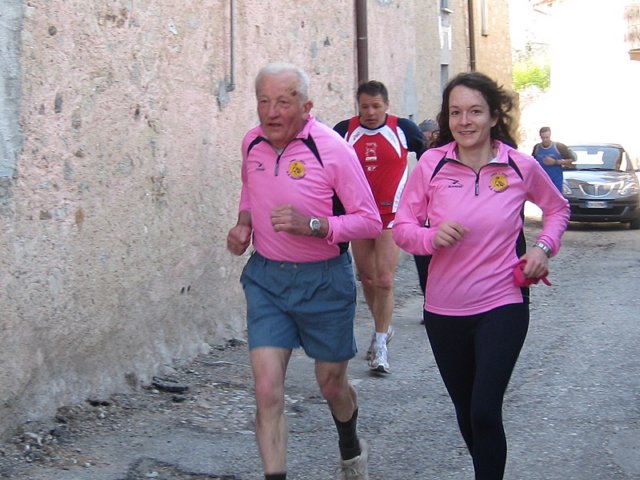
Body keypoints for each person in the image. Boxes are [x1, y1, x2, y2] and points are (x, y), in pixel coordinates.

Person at [392, 72, 570, 479]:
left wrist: (542, 248)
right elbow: (402, 228)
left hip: (502, 303)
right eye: (455, 112)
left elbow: (558, 209)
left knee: (485, 410)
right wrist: (430, 237)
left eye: (474, 111)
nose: (464, 121)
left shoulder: (519, 165)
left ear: (493, 116)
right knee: (467, 410)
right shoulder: (431, 164)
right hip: (444, 309)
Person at [226, 63, 381, 480]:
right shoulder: (251, 143)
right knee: (266, 390)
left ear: (306, 107)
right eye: (263, 101)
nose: (270, 112)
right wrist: (243, 224)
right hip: (267, 281)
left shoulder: (332, 149)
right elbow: (250, 190)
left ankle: (350, 445)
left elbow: (369, 221)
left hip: (324, 281)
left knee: (331, 385)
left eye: (283, 102)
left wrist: (314, 225)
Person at [333, 81, 426, 374]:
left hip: (391, 214)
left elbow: (428, 159)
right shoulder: (344, 131)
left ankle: (381, 342)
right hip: (359, 214)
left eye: (376, 106)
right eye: (365, 107)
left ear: (386, 104)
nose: (371, 113)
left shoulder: (403, 129)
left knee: (385, 279)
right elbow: (326, 163)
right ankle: (382, 326)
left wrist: (424, 196)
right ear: (358, 107)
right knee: (368, 279)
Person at [413, 119, 439, 323]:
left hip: (439, 220)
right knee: (423, 268)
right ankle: (428, 305)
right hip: (422, 221)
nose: (426, 137)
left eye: (429, 134)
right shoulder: (420, 153)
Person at [531, 126, 575, 191]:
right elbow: (532, 163)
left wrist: (555, 162)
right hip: (541, 183)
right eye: (543, 138)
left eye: (547, 137)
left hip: (555, 183)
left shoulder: (559, 146)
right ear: (540, 136)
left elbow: (571, 160)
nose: (545, 140)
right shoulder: (537, 147)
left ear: (550, 135)